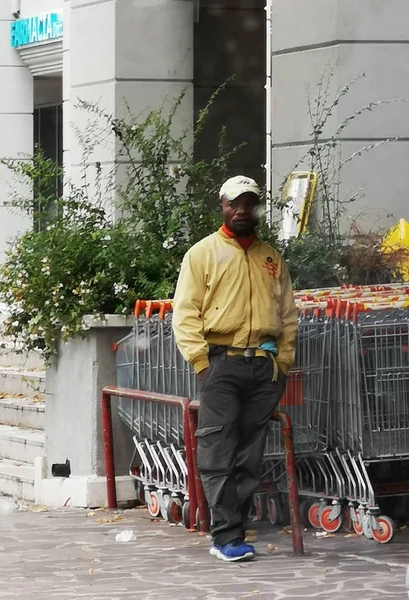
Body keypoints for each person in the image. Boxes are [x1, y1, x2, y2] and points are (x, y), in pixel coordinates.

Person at [172, 175, 298, 562]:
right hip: (220, 364)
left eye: (249, 203)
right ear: (222, 206)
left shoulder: (271, 258)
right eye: (234, 203)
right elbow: (186, 313)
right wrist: (201, 364)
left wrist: (283, 362)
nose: (242, 210)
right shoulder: (202, 254)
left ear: (257, 207)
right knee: (217, 451)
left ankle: (234, 533)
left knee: (250, 455)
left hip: (264, 369)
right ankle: (225, 538)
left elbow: (288, 315)